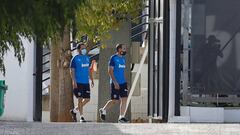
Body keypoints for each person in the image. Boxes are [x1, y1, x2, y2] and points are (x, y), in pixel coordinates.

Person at [99, 43, 129, 123]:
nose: (125, 50)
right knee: (114, 101)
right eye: (124, 48)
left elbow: (121, 72)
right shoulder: (113, 58)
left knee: (124, 99)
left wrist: (125, 82)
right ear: (119, 49)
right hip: (115, 82)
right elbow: (110, 71)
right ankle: (103, 110)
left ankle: (121, 117)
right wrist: (115, 82)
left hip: (123, 83)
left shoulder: (123, 59)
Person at [69, 43, 94, 123]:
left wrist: (92, 79)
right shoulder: (75, 58)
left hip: (86, 82)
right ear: (78, 49)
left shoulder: (87, 58)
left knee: (87, 99)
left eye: (84, 48)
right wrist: (74, 81)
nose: (84, 50)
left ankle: (74, 110)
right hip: (78, 82)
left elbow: (88, 70)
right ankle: (82, 117)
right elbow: (71, 71)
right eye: (82, 48)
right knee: (80, 99)